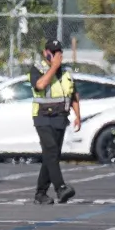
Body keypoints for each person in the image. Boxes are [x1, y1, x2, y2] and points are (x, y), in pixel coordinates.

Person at [28, 38, 81, 204]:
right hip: (42, 117)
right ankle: (60, 188)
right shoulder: (37, 69)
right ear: (46, 53)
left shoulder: (66, 72)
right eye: (53, 52)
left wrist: (78, 116)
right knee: (50, 150)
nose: (56, 56)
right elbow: (41, 85)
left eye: (59, 53)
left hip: (60, 118)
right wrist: (54, 67)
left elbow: (74, 95)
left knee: (52, 156)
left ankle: (40, 193)